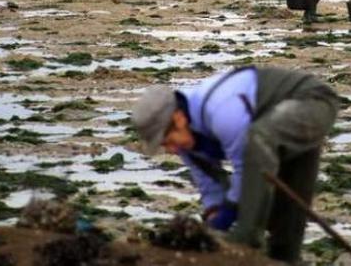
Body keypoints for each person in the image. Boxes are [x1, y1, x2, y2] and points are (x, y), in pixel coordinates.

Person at [132, 66, 339, 264]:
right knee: (286, 221)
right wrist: (213, 221)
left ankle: (248, 241)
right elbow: (210, 187)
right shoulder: (187, 143)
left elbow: (246, 167)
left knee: (259, 143)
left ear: (178, 119)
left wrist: (231, 219)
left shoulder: (221, 110)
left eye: (167, 140)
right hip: (275, 126)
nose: (171, 150)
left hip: (312, 102)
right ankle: (284, 258)